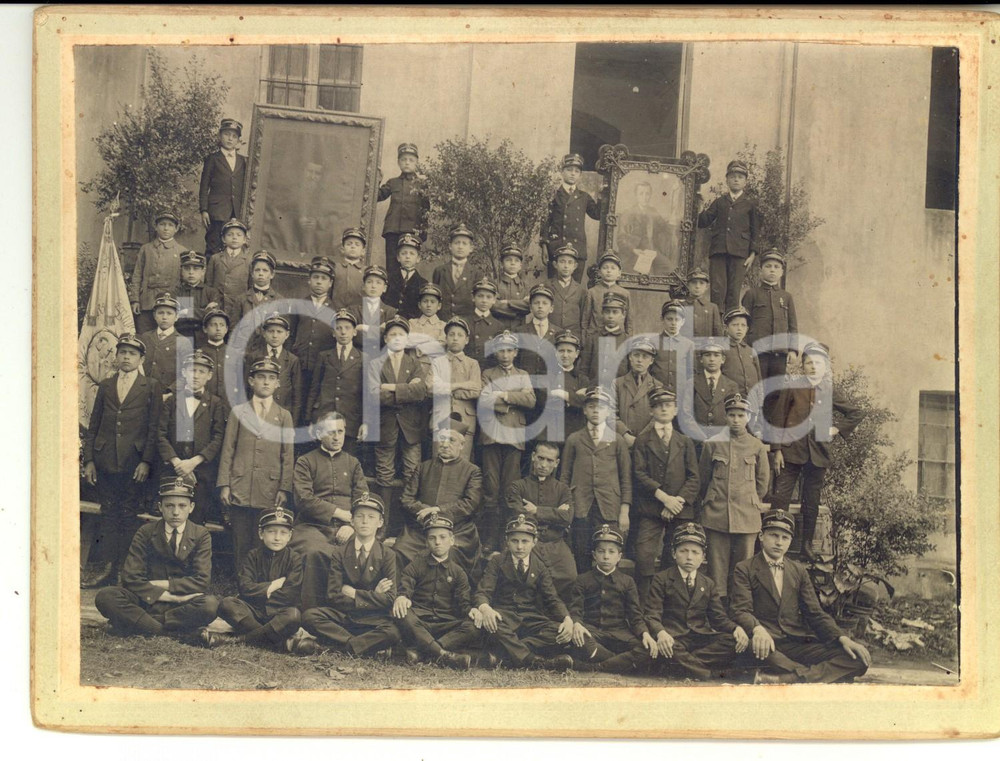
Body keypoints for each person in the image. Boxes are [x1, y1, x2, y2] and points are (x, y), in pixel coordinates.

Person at [731, 510, 871, 683]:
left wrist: (843, 638)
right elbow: (741, 610)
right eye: (774, 535)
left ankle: (786, 678)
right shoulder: (744, 568)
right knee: (757, 649)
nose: (779, 542)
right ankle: (811, 676)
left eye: (785, 538)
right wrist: (758, 629)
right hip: (766, 642)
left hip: (796, 643)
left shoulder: (798, 570)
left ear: (790, 541)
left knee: (856, 659)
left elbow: (815, 613)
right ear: (761, 536)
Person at [769, 342, 865, 560]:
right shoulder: (792, 386)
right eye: (809, 363)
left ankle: (806, 546)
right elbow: (777, 419)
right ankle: (775, 544)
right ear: (803, 365)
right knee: (781, 498)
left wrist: (836, 429)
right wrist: (777, 451)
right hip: (791, 451)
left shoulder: (830, 390)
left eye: (817, 363)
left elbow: (856, 413)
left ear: (825, 366)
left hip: (818, 454)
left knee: (811, 501)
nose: (813, 367)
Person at [81, 335, 163, 589]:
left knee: (128, 515)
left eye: (132, 353)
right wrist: (90, 460)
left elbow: (153, 427)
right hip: (105, 461)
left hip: (133, 463)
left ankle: (125, 573)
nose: (126, 357)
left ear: (141, 359)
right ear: (116, 356)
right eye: (122, 352)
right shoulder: (106, 385)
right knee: (108, 515)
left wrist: (146, 461)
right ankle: (107, 569)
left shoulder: (150, 386)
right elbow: (94, 425)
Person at [94, 475, 219, 637]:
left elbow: (201, 580)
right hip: (146, 600)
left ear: (191, 507)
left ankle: (138, 624)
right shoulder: (145, 532)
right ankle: (176, 633)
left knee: (210, 605)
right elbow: (131, 577)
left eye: (182, 506)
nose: (175, 512)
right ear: (160, 507)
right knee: (106, 596)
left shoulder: (201, 534)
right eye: (169, 506)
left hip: (184, 603)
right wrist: (171, 598)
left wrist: (162, 586)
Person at [217, 357, 295, 572]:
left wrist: (284, 488)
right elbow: (228, 449)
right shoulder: (239, 412)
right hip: (241, 485)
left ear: (278, 383)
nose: (266, 382)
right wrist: (225, 483)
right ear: (251, 381)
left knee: (265, 538)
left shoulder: (283, 416)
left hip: (268, 489)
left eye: (271, 378)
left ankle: (260, 582)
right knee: (241, 538)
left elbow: (287, 455)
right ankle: (242, 581)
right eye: (261, 377)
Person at [644, 522, 749, 679]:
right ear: (673, 553)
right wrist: (661, 633)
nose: (689, 557)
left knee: (733, 641)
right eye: (683, 551)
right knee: (667, 647)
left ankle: (682, 666)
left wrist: (736, 629)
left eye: (695, 552)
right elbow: (652, 614)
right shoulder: (662, 579)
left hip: (699, 637)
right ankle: (711, 674)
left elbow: (718, 619)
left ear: (703, 557)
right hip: (674, 637)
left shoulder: (707, 583)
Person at [206, 507, 317, 655]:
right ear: (261, 534)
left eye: (283, 533)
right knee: (227, 604)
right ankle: (279, 643)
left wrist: (261, 591)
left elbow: (290, 593)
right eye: (271, 531)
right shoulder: (252, 556)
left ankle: (237, 640)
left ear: (290, 536)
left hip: (279, 613)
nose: (277, 538)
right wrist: (273, 586)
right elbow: (245, 588)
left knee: (294, 615)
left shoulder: (294, 559)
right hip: (253, 612)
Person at [302, 493, 401, 658]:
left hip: (373, 619)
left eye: (371, 517)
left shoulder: (387, 554)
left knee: (393, 631)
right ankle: (362, 646)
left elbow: (390, 598)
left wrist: (354, 593)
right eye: (359, 516)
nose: (364, 521)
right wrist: (374, 595)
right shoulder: (340, 553)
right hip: (345, 617)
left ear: (380, 522)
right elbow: (333, 595)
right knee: (310, 616)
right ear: (352, 521)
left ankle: (340, 648)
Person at [472, 515, 576, 672]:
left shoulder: (540, 566)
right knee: (493, 625)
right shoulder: (497, 561)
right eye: (515, 541)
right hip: (504, 616)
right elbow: (483, 591)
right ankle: (534, 661)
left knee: (560, 632)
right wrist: (486, 608)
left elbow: (552, 599)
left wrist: (567, 619)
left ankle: (507, 654)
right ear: (507, 541)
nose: (519, 547)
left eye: (525, 541)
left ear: (534, 542)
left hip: (529, 618)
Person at [291, 411, 368, 610]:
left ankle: (349, 613)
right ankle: (312, 613)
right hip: (311, 526)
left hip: (348, 527)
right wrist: (339, 513)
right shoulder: (305, 462)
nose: (336, 437)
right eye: (331, 432)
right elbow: (304, 499)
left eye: (340, 432)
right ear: (318, 434)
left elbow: (362, 499)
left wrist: (352, 525)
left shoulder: (353, 463)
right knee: (315, 552)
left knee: (364, 551)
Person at [698, 393, 770, 602]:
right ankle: (718, 608)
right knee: (717, 567)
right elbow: (703, 479)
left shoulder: (756, 446)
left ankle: (740, 607)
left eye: (740, 415)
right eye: (732, 415)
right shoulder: (712, 444)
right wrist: (710, 500)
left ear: (748, 417)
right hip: (717, 513)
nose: (736, 419)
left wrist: (750, 500)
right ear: (726, 416)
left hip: (746, 514)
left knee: (743, 567)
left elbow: (762, 482)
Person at [631, 388, 700, 604]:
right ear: (651, 411)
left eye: (668, 405)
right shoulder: (642, 440)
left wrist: (676, 502)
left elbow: (694, 477)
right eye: (658, 405)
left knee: (675, 557)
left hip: (679, 509)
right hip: (651, 507)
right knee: (643, 556)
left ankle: (670, 603)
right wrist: (664, 498)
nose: (663, 408)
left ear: (676, 410)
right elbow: (638, 474)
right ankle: (644, 604)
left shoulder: (685, 441)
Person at [394, 418, 484, 577]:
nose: (445, 444)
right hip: (421, 530)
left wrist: (438, 510)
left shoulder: (472, 471)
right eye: (441, 439)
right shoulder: (423, 467)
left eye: (451, 440)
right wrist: (425, 511)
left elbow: (470, 504)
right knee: (400, 549)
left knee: (453, 553)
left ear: (462, 445)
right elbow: (406, 499)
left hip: (457, 530)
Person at [391, 515, 479, 669]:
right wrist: (403, 597)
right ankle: (444, 655)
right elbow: (406, 585)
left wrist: (472, 610)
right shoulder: (416, 565)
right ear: (426, 542)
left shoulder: (458, 572)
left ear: (452, 540)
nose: (437, 542)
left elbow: (464, 603)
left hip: (446, 624)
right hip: (420, 622)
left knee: (475, 625)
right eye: (432, 538)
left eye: (442, 537)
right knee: (402, 613)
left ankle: (423, 652)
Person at [560, 387, 632, 571]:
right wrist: (564, 505)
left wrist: (624, 510)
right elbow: (565, 475)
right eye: (591, 407)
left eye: (600, 407)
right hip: (581, 504)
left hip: (609, 506)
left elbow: (626, 478)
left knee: (608, 550)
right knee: (582, 551)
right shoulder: (574, 439)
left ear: (608, 412)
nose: (595, 411)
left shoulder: (618, 440)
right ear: (584, 410)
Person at [568, 525, 656, 673]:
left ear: (619, 556)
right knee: (578, 639)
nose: (606, 556)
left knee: (647, 649)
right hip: (592, 631)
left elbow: (635, 616)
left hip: (619, 633)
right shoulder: (583, 579)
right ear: (594, 555)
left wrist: (645, 634)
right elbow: (575, 609)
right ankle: (619, 663)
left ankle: (594, 667)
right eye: (601, 551)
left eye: (611, 552)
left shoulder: (627, 581)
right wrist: (576, 623)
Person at [478, 331, 536, 552]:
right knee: (491, 487)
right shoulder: (488, 373)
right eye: (501, 350)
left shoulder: (523, 374)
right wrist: (512, 400)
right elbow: (484, 399)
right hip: (492, 435)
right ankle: (490, 538)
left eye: (509, 350)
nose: (505, 355)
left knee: (510, 489)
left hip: (513, 436)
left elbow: (530, 400)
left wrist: (503, 395)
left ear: (515, 352)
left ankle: (508, 537)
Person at [370, 316, 428, 535]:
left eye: (401, 335)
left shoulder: (414, 363)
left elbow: (421, 392)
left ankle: (410, 527)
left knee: (413, 473)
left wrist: (390, 387)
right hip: (385, 426)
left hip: (410, 427)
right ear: (385, 338)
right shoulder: (376, 363)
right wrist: (405, 390)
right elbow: (373, 395)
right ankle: (382, 526)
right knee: (384, 474)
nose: (396, 338)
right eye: (392, 334)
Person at [157, 350, 228, 527]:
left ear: (209, 375)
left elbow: (218, 437)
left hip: (201, 474)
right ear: (183, 373)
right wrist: (177, 462)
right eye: (192, 370)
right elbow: (160, 434)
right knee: (171, 518)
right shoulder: (172, 401)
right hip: (173, 470)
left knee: (195, 523)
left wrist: (194, 462)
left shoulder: (215, 403)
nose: (196, 375)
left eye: (201, 371)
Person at [506, 441, 577, 601]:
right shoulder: (517, 486)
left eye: (550, 460)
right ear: (533, 457)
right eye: (541, 458)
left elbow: (567, 518)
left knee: (570, 576)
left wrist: (537, 510)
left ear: (556, 463)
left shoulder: (562, 489)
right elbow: (518, 515)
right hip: (529, 544)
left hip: (556, 544)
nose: (544, 464)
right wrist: (556, 513)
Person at [697, 159, 762, 313]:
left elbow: (755, 231)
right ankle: (717, 326)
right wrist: (698, 206)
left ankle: (731, 326)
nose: (736, 179)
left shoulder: (750, 204)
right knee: (717, 290)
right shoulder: (720, 202)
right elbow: (703, 221)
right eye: (732, 176)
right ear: (727, 180)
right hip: (719, 251)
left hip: (740, 253)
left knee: (734, 291)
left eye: (740, 177)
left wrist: (752, 254)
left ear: (745, 181)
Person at [741, 248, 799, 405]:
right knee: (756, 390)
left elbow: (792, 325)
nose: (772, 270)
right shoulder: (752, 294)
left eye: (776, 267)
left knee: (775, 393)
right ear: (760, 271)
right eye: (768, 266)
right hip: (758, 352)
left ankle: (772, 428)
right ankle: (755, 428)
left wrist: (793, 350)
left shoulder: (786, 297)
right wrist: (745, 349)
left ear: (781, 272)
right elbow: (743, 324)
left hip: (779, 354)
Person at [305, 309, 367, 456]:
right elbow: (315, 388)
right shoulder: (324, 356)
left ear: (354, 332)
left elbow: (367, 394)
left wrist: (366, 422)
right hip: (325, 415)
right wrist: (310, 419)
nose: (343, 332)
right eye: (338, 328)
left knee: (347, 460)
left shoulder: (363, 358)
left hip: (351, 420)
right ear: (333, 333)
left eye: (347, 328)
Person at [427, 316, 481, 460]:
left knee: (462, 464)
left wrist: (444, 388)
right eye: (451, 334)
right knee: (438, 460)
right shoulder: (437, 362)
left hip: (465, 420)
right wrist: (461, 385)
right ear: (446, 338)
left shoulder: (472, 364)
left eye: (460, 335)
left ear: (467, 340)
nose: (455, 338)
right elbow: (431, 388)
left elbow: (475, 390)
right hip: (440, 418)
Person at [542, 153, 601, 283]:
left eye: (576, 171)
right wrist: (544, 246)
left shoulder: (583, 197)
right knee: (555, 287)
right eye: (569, 170)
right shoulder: (553, 195)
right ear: (562, 172)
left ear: (580, 175)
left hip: (577, 250)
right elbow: (546, 221)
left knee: (575, 288)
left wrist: (604, 195)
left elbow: (597, 214)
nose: (572, 174)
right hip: (557, 248)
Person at [291, 256, 337, 419]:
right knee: (296, 402)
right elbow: (290, 335)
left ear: (330, 283)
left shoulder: (335, 309)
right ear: (309, 280)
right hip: (299, 363)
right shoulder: (298, 305)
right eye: (315, 277)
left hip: (321, 367)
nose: (319, 282)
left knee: (314, 406)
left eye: (324, 278)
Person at [678, 339, 741, 447]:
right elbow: (686, 415)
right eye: (707, 355)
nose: (712, 359)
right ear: (701, 359)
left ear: (723, 359)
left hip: (723, 442)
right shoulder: (691, 383)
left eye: (716, 355)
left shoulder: (731, 386)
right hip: (697, 442)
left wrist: (720, 437)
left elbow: (734, 415)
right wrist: (701, 437)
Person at [129, 211, 184, 334]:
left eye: (170, 225)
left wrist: (184, 307)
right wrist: (135, 300)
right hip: (147, 301)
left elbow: (186, 281)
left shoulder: (182, 251)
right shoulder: (146, 249)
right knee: (144, 335)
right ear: (156, 227)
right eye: (162, 224)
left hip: (170, 304)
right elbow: (137, 275)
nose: (166, 228)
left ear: (176, 229)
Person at [199, 118, 247, 256]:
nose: (230, 139)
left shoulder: (243, 161)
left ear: (238, 140)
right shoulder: (213, 159)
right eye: (226, 135)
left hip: (236, 211)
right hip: (217, 211)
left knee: (234, 246)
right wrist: (204, 210)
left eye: (234, 136)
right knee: (214, 245)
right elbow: (204, 186)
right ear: (220, 136)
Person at [377, 143, 430, 263]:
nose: (407, 162)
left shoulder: (422, 185)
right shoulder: (392, 182)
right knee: (392, 265)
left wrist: (422, 234)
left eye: (411, 160)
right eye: (403, 159)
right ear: (398, 162)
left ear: (417, 163)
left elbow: (426, 210)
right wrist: (377, 180)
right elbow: (377, 197)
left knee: (408, 264)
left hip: (412, 231)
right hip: (392, 230)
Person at [246, 314, 302, 426]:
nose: (275, 335)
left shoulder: (292, 360)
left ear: (287, 335)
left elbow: (297, 394)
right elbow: (246, 388)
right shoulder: (254, 357)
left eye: (279, 332)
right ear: (264, 333)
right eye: (271, 331)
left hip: (281, 414)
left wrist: (292, 423)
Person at [538, 330, 590, 443]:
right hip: (549, 435)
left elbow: (586, 403)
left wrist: (562, 394)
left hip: (573, 434)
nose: (565, 355)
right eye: (561, 351)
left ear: (576, 354)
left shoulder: (582, 380)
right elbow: (543, 401)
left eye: (569, 351)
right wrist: (574, 398)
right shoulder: (545, 375)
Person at [236, 250, 290, 356]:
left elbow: (284, 332)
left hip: (268, 354)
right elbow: (234, 329)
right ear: (252, 273)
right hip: (244, 353)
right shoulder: (241, 299)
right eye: (257, 270)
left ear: (272, 274)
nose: (261, 274)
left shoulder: (280, 301)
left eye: (265, 271)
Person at [618, 180, 678, 276]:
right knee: (643, 275)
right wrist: (634, 250)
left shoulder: (652, 211)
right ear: (636, 195)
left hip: (651, 251)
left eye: (647, 194)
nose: (645, 197)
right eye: (641, 194)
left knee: (670, 269)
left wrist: (672, 219)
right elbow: (621, 239)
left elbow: (664, 227)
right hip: (634, 252)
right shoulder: (628, 213)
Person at [612, 336, 662, 449]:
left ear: (651, 361)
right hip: (622, 440)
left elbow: (658, 417)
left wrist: (642, 438)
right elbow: (610, 413)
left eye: (645, 356)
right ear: (630, 357)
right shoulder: (617, 384)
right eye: (636, 355)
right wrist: (625, 434)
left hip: (647, 442)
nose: (640, 360)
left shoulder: (657, 386)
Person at [205, 218, 253, 326]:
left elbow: (251, 287)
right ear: (223, 239)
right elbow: (209, 284)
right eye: (230, 234)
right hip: (217, 306)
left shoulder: (249, 261)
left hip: (237, 308)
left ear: (245, 239)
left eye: (239, 235)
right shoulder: (215, 258)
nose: (234, 237)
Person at [196, 306, 242, 414]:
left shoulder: (235, 354)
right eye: (213, 325)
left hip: (230, 408)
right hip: (205, 408)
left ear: (226, 329)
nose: (218, 328)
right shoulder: (199, 354)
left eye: (222, 325)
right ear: (205, 329)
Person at [579, 291, 630, 385]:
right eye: (607, 312)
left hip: (619, 390)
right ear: (602, 313)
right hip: (595, 390)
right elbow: (584, 370)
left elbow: (631, 372)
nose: (610, 316)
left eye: (615, 312)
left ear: (623, 314)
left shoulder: (627, 341)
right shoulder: (593, 339)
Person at [432, 223, 479, 321]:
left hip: (467, 323)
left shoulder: (476, 273)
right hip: (443, 322)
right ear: (450, 246)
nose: (460, 247)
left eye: (464, 243)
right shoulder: (440, 271)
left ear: (471, 248)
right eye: (457, 243)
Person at [515, 283, 561, 380]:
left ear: (551, 308)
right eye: (536, 303)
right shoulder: (519, 332)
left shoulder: (558, 333)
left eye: (545, 303)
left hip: (550, 386)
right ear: (531, 308)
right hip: (526, 385)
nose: (540, 306)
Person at [137, 292, 181, 393]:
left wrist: (170, 392)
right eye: (160, 313)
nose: (164, 317)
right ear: (154, 315)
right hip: (142, 392)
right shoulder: (145, 337)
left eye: (169, 313)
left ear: (177, 316)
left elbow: (186, 374)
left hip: (166, 394)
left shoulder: (183, 342)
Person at [582, 251, 631, 340]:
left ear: (619, 273)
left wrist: (628, 340)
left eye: (613, 268)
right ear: (599, 272)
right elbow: (585, 319)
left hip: (618, 338)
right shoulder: (592, 292)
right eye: (605, 268)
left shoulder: (625, 293)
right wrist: (585, 340)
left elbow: (629, 321)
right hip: (595, 337)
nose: (609, 271)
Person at [650, 299, 695, 396]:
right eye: (669, 319)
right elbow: (648, 372)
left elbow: (691, 374)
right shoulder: (653, 342)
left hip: (680, 395)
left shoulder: (688, 345)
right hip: (657, 394)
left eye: (677, 319)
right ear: (662, 319)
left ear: (682, 321)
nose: (673, 323)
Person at [175, 251, 221, 341]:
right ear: (182, 271)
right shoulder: (177, 292)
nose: (191, 272)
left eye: (196, 269)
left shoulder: (211, 292)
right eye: (187, 268)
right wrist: (205, 311)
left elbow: (212, 316)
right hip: (182, 336)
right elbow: (177, 316)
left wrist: (186, 311)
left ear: (203, 271)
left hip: (205, 337)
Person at [545, 243, 587, 337]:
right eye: (562, 261)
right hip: (551, 334)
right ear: (555, 264)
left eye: (570, 262)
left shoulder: (581, 290)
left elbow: (584, 317)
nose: (566, 266)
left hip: (573, 335)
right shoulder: (547, 285)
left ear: (575, 266)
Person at [351, 264, 398, 347]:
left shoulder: (391, 312)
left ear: (384, 288)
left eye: (378, 283)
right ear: (363, 286)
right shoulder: (353, 310)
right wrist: (379, 329)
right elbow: (351, 335)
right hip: (358, 356)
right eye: (369, 282)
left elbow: (389, 338)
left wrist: (363, 327)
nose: (373, 286)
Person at [721, 306, 762, 400]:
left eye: (743, 325)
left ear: (747, 329)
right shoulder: (722, 349)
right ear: (726, 328)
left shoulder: (751, 351)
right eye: (735, 325)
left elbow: (759, 379)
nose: (739, 329)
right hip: (731, 399)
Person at [385, 232, 428, 320]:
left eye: (412, 253)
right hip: (389, 322)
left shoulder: (423, 284)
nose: (407, 256)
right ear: (398, 257)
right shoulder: (388, 279)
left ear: (418, 258)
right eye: (404, 253)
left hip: (411, 326)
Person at [465, 277, 503, 369]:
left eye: (488, 297)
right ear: (473, 298)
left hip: (489, 372)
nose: (484, 300)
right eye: (480, 296)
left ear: (494, 300)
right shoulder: (465, 322)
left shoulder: (498, 326)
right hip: (467, 370)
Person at [492, 244, 531, 331]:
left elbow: (528, 307)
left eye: (516, 261)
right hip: (499, 328)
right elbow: (494, 306)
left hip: (519, 328)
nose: (512, 263)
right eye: (508, 260)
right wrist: (518, 307)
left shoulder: (524, 285)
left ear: (520, 265)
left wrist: (507, 303)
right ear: (502, 263)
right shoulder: (495, 283)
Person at [408, 283, 447, 365]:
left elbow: (441, 346)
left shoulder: (443, 326)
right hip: (414, 366)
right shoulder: (412, 323)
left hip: (434, 367)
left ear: (439, 306)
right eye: (425, 301)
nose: (428, 305)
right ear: (419, 305)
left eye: (432, 302)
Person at [330, 228, 367, 314]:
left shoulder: (366, 271)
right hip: (334, 312)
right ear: (342, 249)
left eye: (357, 244)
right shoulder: (335, 268)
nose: (353, 246)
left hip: (357, 315)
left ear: (363, 251)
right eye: (349, 244)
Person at [681, 268, 724, 339]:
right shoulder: (681, 305)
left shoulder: (712, 307)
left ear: (707, 286)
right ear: (688, 285)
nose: (697, 286)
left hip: (705, 347)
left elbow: (718, 335)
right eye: (694, 282)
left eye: (701, 283)